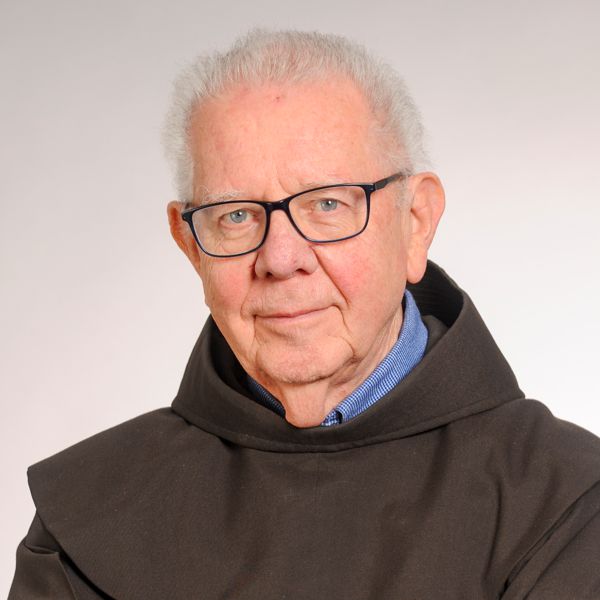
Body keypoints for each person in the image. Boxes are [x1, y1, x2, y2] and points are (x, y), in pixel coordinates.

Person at [9, 29, 600, 600]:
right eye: (236, 215)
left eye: (327, 204)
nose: (280, 259)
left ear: (415, 222)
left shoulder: (567, 504)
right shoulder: (87, 516)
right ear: (191, 247)